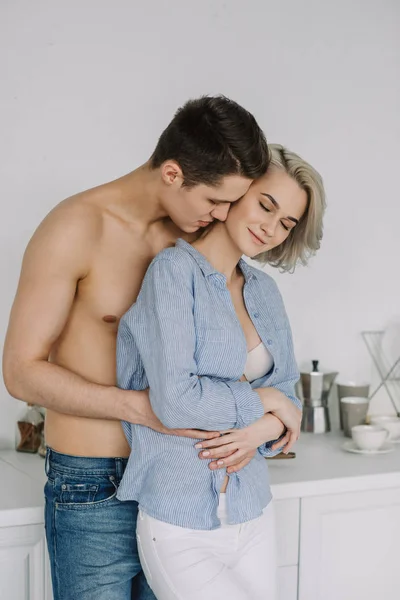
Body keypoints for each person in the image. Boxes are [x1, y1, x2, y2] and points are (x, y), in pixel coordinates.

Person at [2, 95, 271, 600]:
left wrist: (273, 413)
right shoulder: (77, 226)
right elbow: (21, 371)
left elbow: (243, 341)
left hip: (187, 481)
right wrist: (142, 409)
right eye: (214, 200)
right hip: (93, 484)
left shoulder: (201, 241)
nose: (222, 215)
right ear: (172, 173)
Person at [116, 144, 326, 600]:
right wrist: (265, 402)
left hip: (253, 509)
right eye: (265, 205)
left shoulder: (265, 291)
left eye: (286, 222)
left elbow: (288, 391)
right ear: (239, 191)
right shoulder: (172, 273)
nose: (271, 228)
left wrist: (257, 431)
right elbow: (174, 402)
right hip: (179, 518)